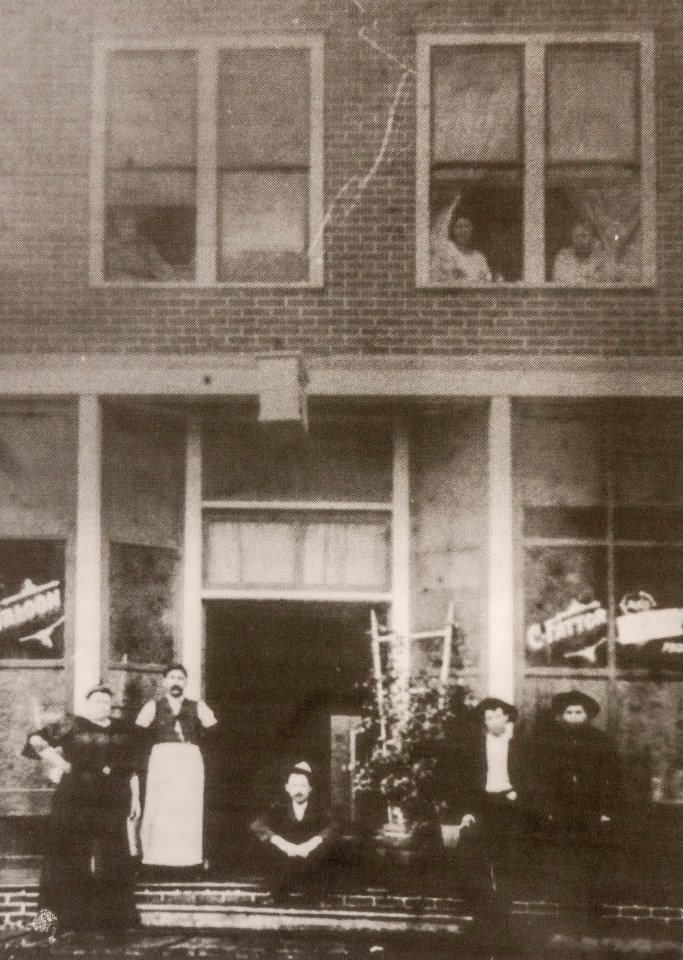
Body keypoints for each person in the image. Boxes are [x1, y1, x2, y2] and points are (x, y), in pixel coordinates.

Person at [23, 686, 140, 933]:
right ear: (88, 704)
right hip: (74, 799)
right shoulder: (72, 724)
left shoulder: (123, 729)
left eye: (106, 702)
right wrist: (62, 764)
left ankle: (114, 921)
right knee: (66, 855)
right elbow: (35, 739)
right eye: (97, 701)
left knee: (112, 855)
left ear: (112, 705)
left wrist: (136, 798)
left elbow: (132, 768)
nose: (102, 706)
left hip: (111, 800)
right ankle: (54, 921)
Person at [535, 690, 621, 911]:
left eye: (578, 712)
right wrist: (547, 807)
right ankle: (564, 909)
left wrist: (606, 811)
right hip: (561, 810)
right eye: (569, 712)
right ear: (562, 715)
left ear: (588, 715)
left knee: (590, 859)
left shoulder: (601, 741)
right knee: (563, 858)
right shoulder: (549, 741)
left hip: (591, 810)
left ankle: (591, 909)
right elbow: (541, 777)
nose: (573, 716)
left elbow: (613, 778)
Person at [135, 663, 217, 872]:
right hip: (162, 761)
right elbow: (137, 735)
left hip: (189, 761)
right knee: (160, 809)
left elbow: (214, 732)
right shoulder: (153, 706)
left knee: (187, 809)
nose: (176, 682)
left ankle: (188, 862)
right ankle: (156, 861)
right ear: (165, 682)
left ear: (186, 682)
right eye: (172, 678)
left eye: (180, 678)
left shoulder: (198, 706)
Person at [250, 761, 337, 903]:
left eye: (303, 786)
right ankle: (277, 895)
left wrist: (312, 843)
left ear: (310, 788)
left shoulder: (319, 809)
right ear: (287, 788)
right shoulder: (279, 807)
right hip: (285, 862)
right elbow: (257, 825)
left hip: (310, 862)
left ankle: (317, 897)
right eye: (294, 786)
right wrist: (281, 843)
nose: (298, 790)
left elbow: (334, 827)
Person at [105, 209, 176, 282]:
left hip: (149, 284)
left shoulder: (144, 244)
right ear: (117, 229)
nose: (129, 231)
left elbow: (159, 264)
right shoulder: (111, 248)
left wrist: (167, 272)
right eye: (125, 227)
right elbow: (118, 275)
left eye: (132, 227)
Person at [434, 213, 493, 284]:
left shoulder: (479, 257)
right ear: (453, 230)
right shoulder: (446, 251)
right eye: (459, 227)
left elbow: (488, 280)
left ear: (472, 229)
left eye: (466, 226)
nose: (463, 230)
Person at [552, 221, 604, 285]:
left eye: (584, 236)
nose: (579, 240)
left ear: (592, 238)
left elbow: (604, 281)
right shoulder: (563, 257)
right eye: (576, 236)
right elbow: (558, 281)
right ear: (572, 238)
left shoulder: (599, 258)